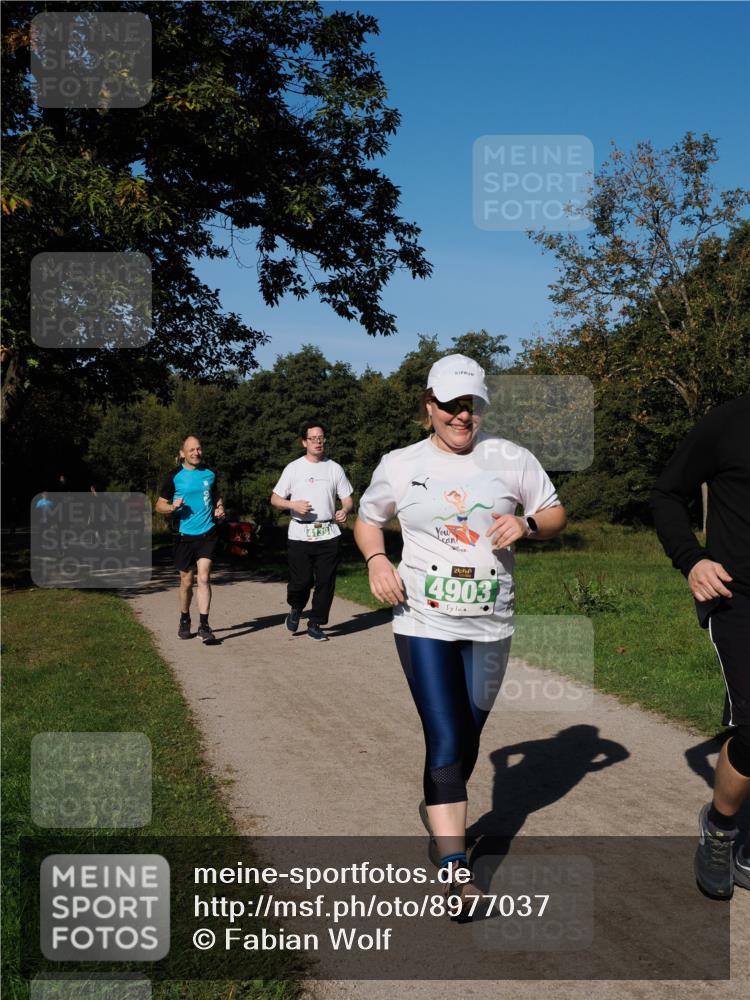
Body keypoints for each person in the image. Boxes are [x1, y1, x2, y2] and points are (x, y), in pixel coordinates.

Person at [354, 354, 566, 912]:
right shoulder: (400, 464)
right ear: (429, 406)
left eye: (469, 405)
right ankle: (454, 868)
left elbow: (555, 513)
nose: (460, 416)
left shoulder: (511, 459)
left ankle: (438, 804)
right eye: (448, 405)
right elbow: (368, 517)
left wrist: (527, 523)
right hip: (421, 618)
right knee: (446, 736)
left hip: (491, 622)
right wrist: (377, 560)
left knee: (469, 736)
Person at [650, 393, 750, 900]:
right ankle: (721, 828)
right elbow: (666, 494)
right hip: (737, 595)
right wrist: (692, 559)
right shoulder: (730, 422)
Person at [271, 422, 354, 641]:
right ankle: (296, 608)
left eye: (321, 438)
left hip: (328, 533)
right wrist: (293, 505)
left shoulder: (334, 468)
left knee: (326, 581)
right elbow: (275, 498)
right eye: (313, 438)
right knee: (301, 582)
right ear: (304, 442)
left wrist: (344, 510)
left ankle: (316, 623)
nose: (318, 442)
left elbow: (347, 498)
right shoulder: (294, 468)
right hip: (300, 534)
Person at [156, 436, 225, 644]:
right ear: (182, 454)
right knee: (186, 582)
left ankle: (204, 625)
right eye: (191, 450)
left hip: (207, 533)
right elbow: (159, 505)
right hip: (183, 536)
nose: (196, 453)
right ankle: (185, 617)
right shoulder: (173, 477)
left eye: (199, 449)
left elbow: (215, 496)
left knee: (203, 577)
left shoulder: (210, 473)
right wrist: (172, 507)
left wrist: (220, 508)